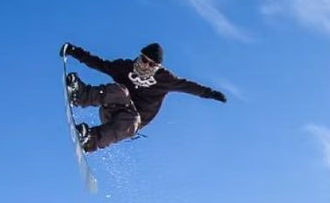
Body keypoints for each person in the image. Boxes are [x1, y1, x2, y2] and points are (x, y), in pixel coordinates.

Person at [60, 42, 227, 153]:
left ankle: (91, 140)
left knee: (133, 120)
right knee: (121, 91)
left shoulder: (165, 79)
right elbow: (98, 63)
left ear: (158, 67)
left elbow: (189, 86)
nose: (146, 66)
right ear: (139, 57)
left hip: (127, 124)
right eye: (144, 60)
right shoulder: (124, 67)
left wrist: (211, 93)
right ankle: (80, 96)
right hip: (111, 110)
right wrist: (74, 51)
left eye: (152, 64)